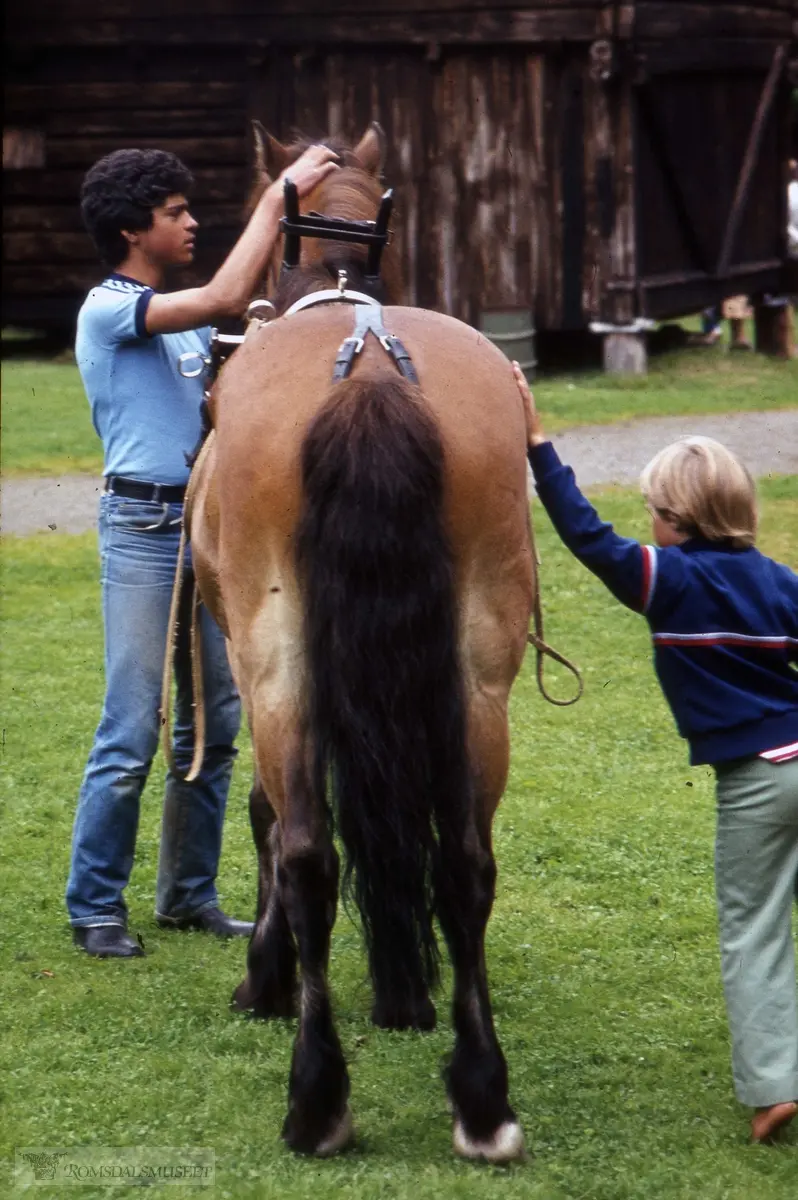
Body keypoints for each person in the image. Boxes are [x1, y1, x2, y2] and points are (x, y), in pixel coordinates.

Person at [512, 361, 798, 1143]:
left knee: (755, 927)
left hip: (757, 782)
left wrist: (539, 444)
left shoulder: (664, 581)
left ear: (674, 517)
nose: (646, 523)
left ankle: (776, 1085)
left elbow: (583, 533)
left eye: (650, 511)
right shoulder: (782, 583)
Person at [67, 143, 339, 959]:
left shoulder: (182, 330)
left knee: (217, 725)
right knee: (133, 730)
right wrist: (280, 199)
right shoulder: (107, 307)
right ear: (130, 228)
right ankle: (94, 908)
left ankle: (188, 895)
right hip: (145, 534)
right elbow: (224, 291)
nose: (191, 222)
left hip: (207, 528)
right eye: (176, 213)